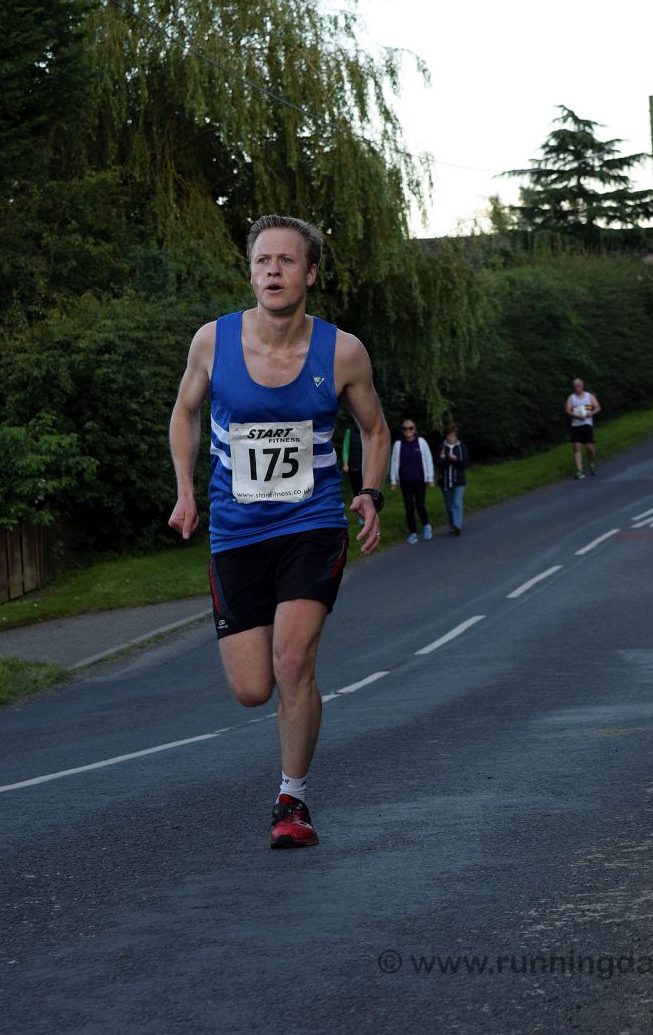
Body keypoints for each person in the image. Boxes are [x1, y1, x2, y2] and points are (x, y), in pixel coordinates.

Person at [168, 215, 390, 850]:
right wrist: (186, 488)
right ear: (251, 272)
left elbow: (375, 429)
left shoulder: (342, 351)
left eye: (287, 261)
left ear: (309, 274)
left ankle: (291, 799)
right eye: (263, 260)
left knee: (293, 662)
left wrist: (369, 493)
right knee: (251, 688)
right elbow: (184, 410)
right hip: (236, 529)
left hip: (311, 522)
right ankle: (289, 774)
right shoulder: (212, 342)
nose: (273, 270)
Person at [390, 418, 435, 543]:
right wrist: (393, 480)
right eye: (405, 428)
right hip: (405, 481)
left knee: (420, 504)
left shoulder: (421, 442)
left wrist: (430, 478)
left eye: (410, 428)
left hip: (420, 480)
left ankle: (426, 525)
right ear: (402, 430)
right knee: (409, 507)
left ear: (414, 429)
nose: (408, 431)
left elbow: (428, 459)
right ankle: (413, 533)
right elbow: (394, 462)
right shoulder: (398, 444)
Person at [565, 377, 601, 479]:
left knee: (590, 449)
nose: (577, 388)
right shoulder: (571, 398)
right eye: (575, 386)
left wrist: (591, 413)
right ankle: (579, 471)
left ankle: (591, 463)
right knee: (577, 448)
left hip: (587, 424)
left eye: (579, 386)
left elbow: (598, 407)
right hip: (576, 425)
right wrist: (576, 416)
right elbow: (568, 410)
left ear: (582, 385)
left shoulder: (589, 396)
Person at [437, 423, 470, 535]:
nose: (451, 438)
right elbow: (438, 462)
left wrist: (455, 460)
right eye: (449, 436)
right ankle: (452, 526)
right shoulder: (442, 447)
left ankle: (457, 525)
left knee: (456, 503)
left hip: (459, 481)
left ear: (456, 436)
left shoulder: (461, 447)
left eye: (453, 436)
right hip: (445, 481)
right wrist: (448, 459)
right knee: (449, 505)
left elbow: (465, 463)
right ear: (446, 436)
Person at [341, 422, 364, 500]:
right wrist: (345, 463)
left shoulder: (367, 431)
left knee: (365, 488)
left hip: (365, 466)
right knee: (356, 488)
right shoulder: (349, 431)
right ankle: (357, 502)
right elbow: (345, 448)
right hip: (353, 465)